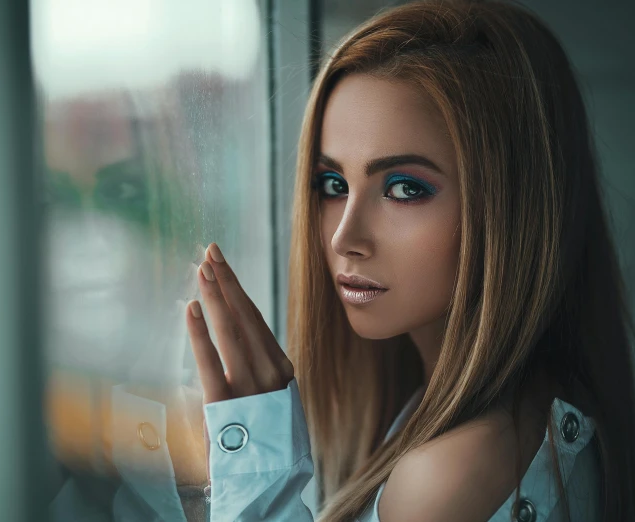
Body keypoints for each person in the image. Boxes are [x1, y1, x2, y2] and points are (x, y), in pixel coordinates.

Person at [185, 0, 635, 521]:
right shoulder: (532, 411)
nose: (344, 238)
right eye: (333, 184)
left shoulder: (450, 473)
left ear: (516, 207)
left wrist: (258, 484)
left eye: (404, 188)